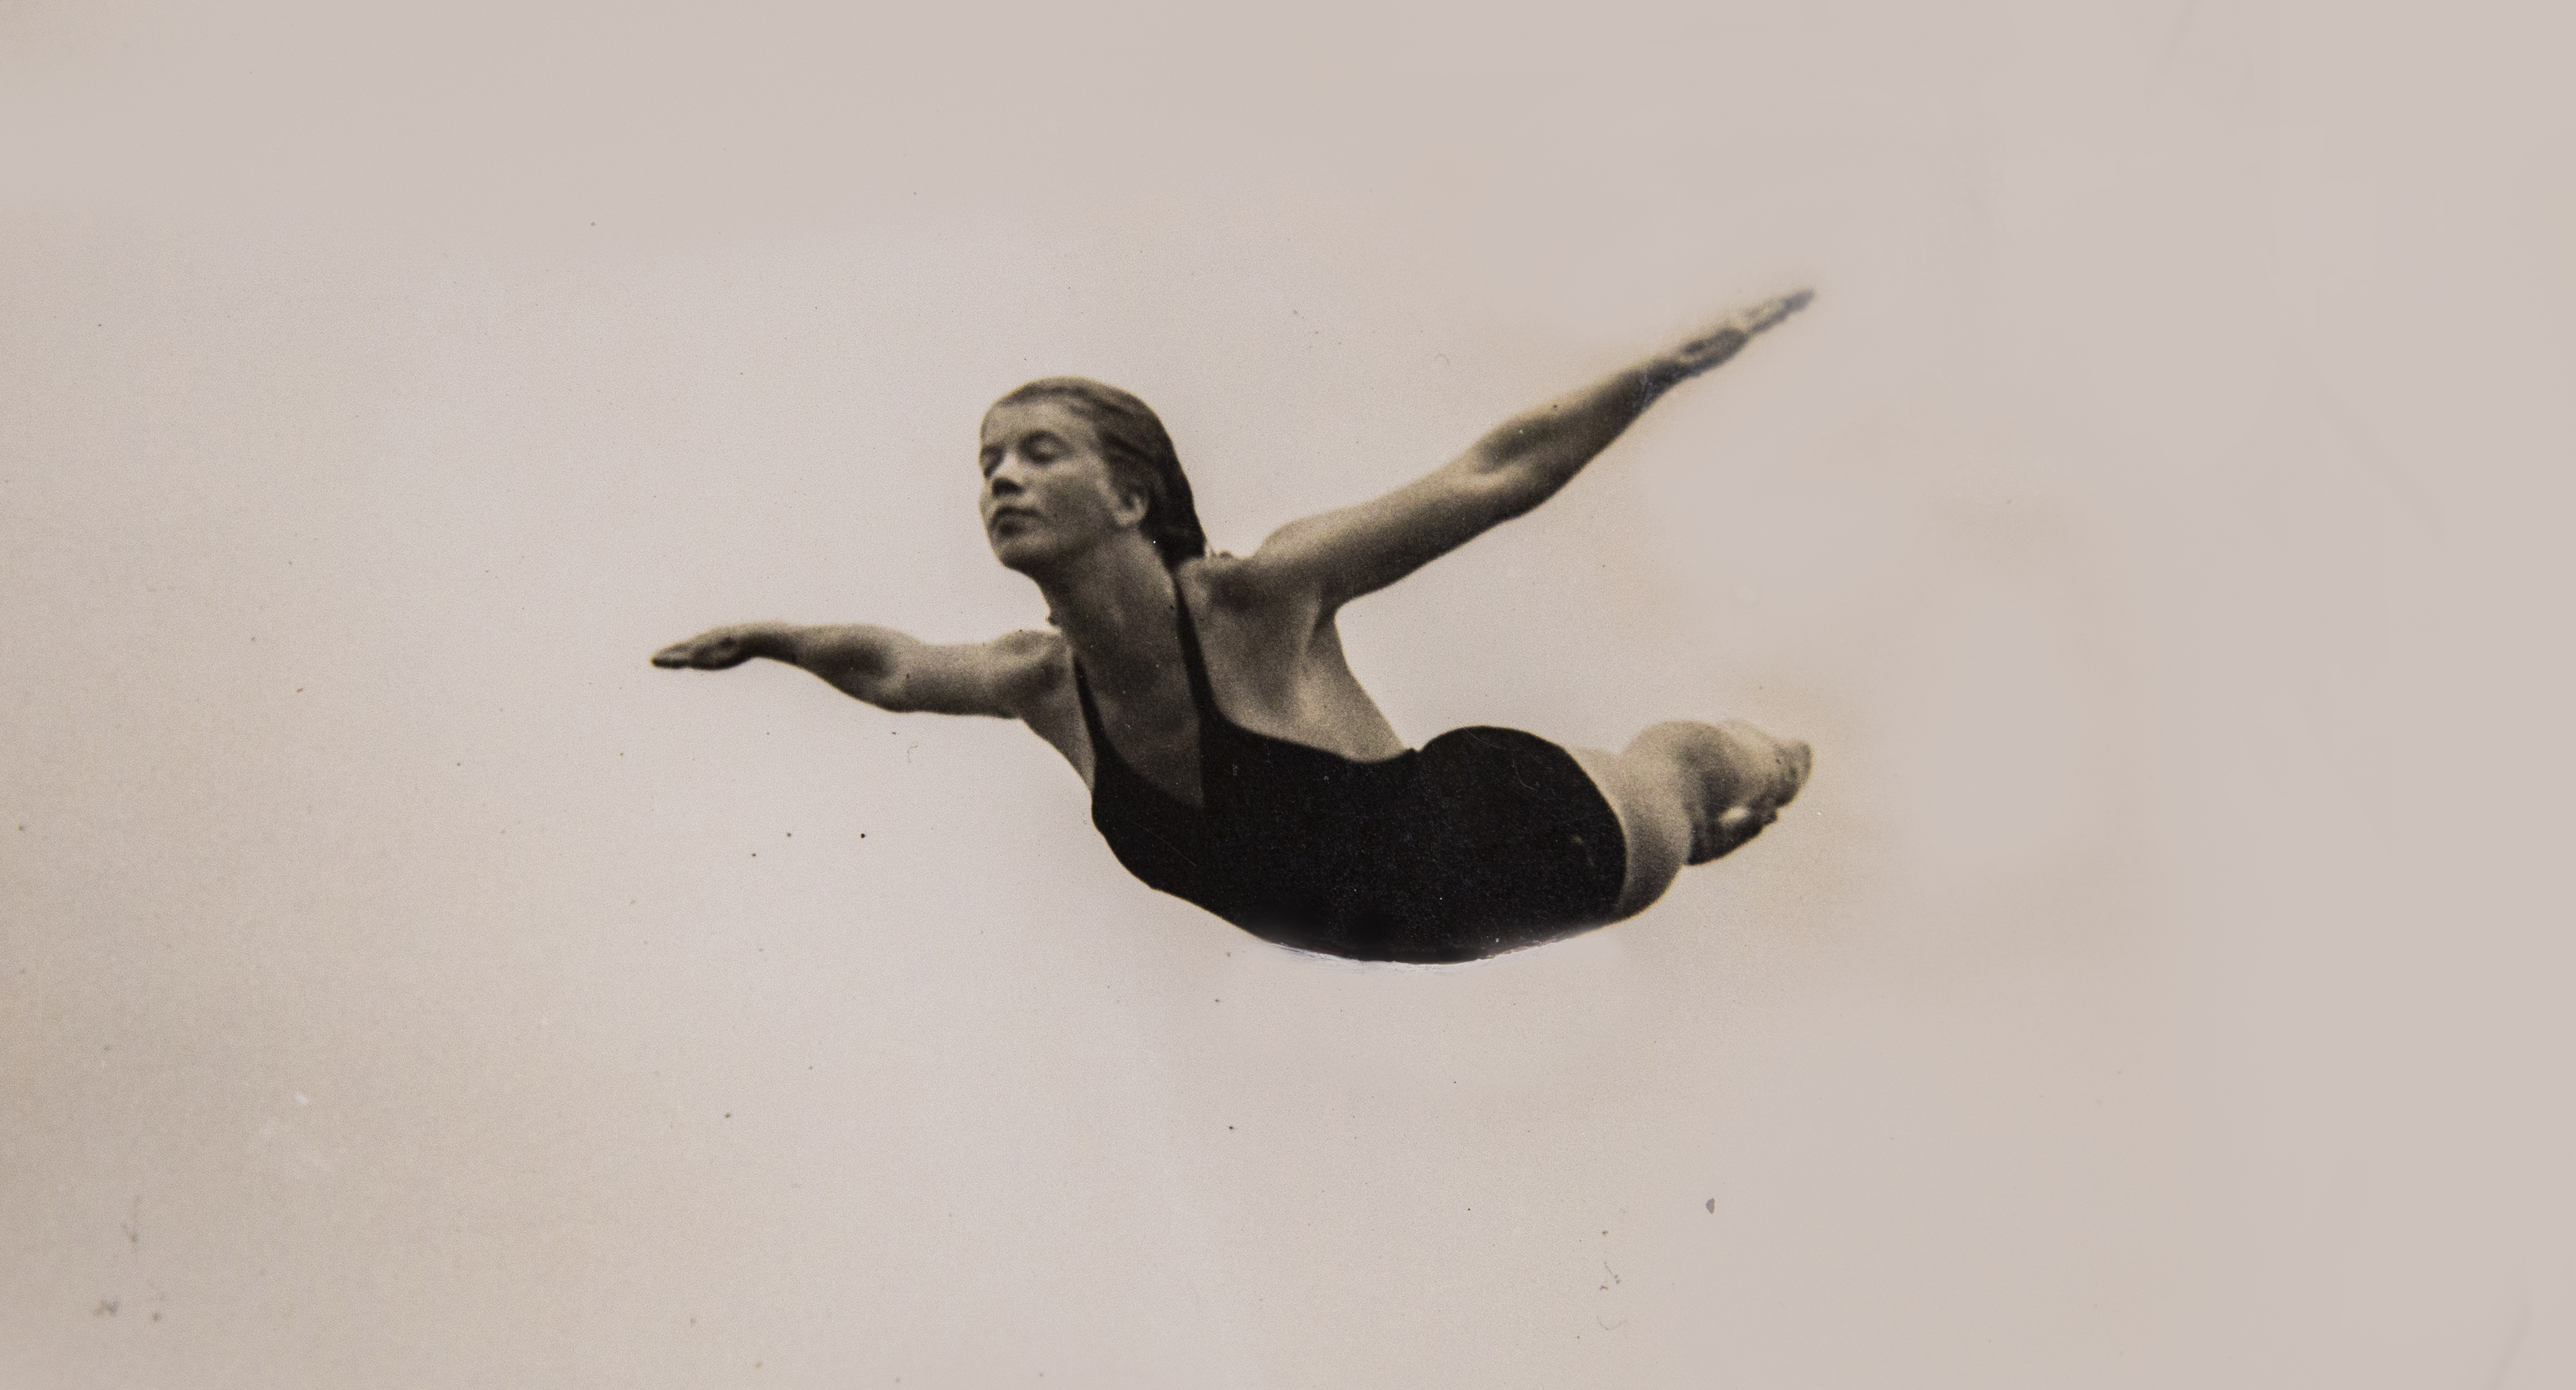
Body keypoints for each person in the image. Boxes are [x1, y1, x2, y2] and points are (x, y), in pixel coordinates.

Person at [653, 295, 1815, 963]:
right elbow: (894, 668)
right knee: (1686, 805)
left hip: (1530, 839)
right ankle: (1727, 800)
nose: (1001, 479)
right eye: (986, 464)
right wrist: (776, 639)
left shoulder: (1258, 598)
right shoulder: (1038, 684)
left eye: (1038, 452)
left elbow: (1490, 475)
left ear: (1129, 497)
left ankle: (1765, 762)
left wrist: (1653, 374)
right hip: (1414, 938)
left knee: (1685, 765)